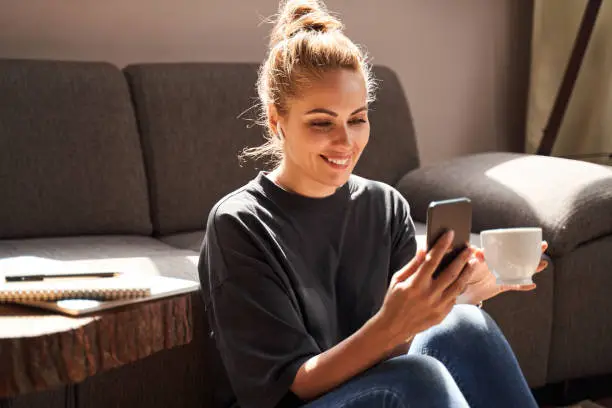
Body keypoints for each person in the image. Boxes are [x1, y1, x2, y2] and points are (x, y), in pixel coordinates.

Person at [198, 1, 549, 407]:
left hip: (376, 391)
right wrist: (391, 324)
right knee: (415, 378)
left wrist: (462, 293)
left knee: (466, 324)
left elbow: (404, 343)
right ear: (277, 121)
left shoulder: (384, 207)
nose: (346, 142)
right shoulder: (241, 225)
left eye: (357, 118)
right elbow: (292, 385)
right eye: (321, 122)